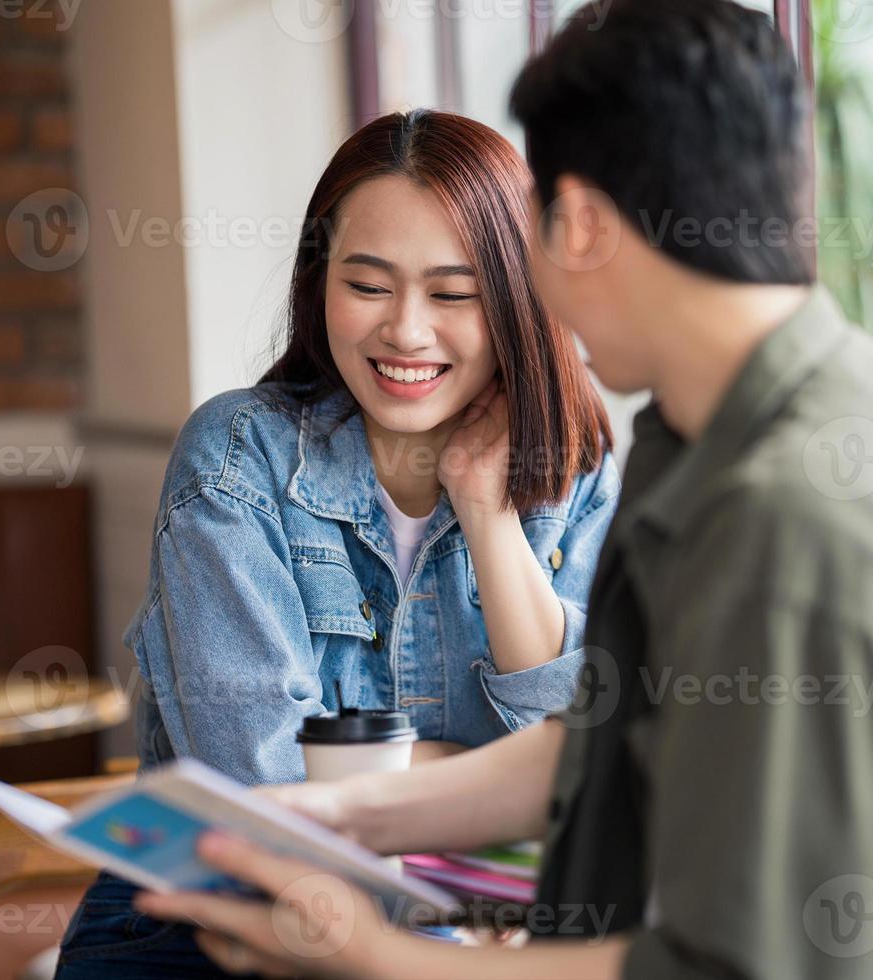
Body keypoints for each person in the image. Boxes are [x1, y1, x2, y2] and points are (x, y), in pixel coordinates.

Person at [133, 1, 873, 977]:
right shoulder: (711, 432)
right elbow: (597, 737)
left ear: (587, 227)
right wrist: (343, 810)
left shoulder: (792, 513)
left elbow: (740, 966)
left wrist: (383, 958)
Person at [54, 109, 617, 978]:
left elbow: (583, 785)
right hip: (206, 939)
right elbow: (261, 807)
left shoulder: (577, 479)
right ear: (321, 284)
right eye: (368, 285)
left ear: (515, 300)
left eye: (454, 292)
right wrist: (473, 824)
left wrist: (488, 514)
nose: (406, 331)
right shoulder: (238, 459)